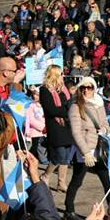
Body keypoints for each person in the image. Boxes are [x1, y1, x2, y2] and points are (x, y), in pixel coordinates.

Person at [63, 77, 110, 220]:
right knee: (77, 180)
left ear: (94, 88)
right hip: (84, 150)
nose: (86, 90)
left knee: (107, 181)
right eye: (83, 87)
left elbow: (105, 124)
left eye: (89, 87)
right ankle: (69, 210)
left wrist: (103, 129)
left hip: (98, 148)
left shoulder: (99, 103)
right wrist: (86, 152)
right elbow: (76, 132)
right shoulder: (75, 106)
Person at [39, 65, 73, 193]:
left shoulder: (63, 89)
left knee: (66, 155)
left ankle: (61, 183)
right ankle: (46, 175)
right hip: (55, 125)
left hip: (67, 125)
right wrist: (66, 111)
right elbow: (50, 109)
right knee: (59, 155)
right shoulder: (44, 90)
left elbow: (70, 103)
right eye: (60, 73)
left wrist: (69, 111)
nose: (63, 75)